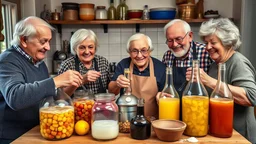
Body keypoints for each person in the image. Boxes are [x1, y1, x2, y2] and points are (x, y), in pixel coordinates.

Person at [0, 16, 83, 143]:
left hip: (37, 131)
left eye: (49, 41)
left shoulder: (38, 62)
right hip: (13, 137)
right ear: (24, 40)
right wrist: (55, 81)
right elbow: (15, 97)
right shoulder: (8, 60)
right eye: (43, 41)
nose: (48, 47)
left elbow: (47, 96)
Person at [188, 18, 256, 143]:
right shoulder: (216, 64)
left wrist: (209, 81)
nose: (208, 47)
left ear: (227, 42)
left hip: (239, 136)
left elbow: (251, 97)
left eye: (213, 42)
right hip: (219, 133)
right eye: (206, 42)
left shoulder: (238, 62)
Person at [108, 33, 166, 119]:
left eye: (143, 50)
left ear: (150, 51)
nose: (139, 55)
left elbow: (166, 96)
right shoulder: (123, 64)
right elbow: (112, 92)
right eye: (134, 51)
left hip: (152, 121)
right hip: (126, 121)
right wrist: (117, 83)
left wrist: (162, 97)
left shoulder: (160, 67)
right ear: (129, 52)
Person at [161, 19, 213, 97]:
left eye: (179, 39)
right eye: (170, 40)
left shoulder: (206, 52)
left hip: (198, 106)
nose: (174, 44)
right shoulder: (167, 56)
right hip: (174, 106)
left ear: (190, 36)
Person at [58, 29, 112, 95]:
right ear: (75, 48)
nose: (87, 52)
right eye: (82, 47)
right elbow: (60, 96)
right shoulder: (67, 65)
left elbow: (111, 89)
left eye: (90, 47)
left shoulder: (103, 62)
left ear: (95, 48)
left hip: (100, 105)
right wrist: (82, 80)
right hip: (76, 105)